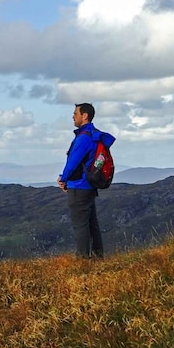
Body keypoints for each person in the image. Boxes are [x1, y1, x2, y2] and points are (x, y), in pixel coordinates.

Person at [56, 102, 114, 258]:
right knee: (91, 224)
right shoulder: (94, 135)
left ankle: (82, 261)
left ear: (84, 116)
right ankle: (97, 257)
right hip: (89, 186)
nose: (73, 117)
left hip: (79, 186)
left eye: (75, 114)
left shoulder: (84, 138)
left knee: (81, 226)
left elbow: (73, 162)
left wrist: (63, 178)